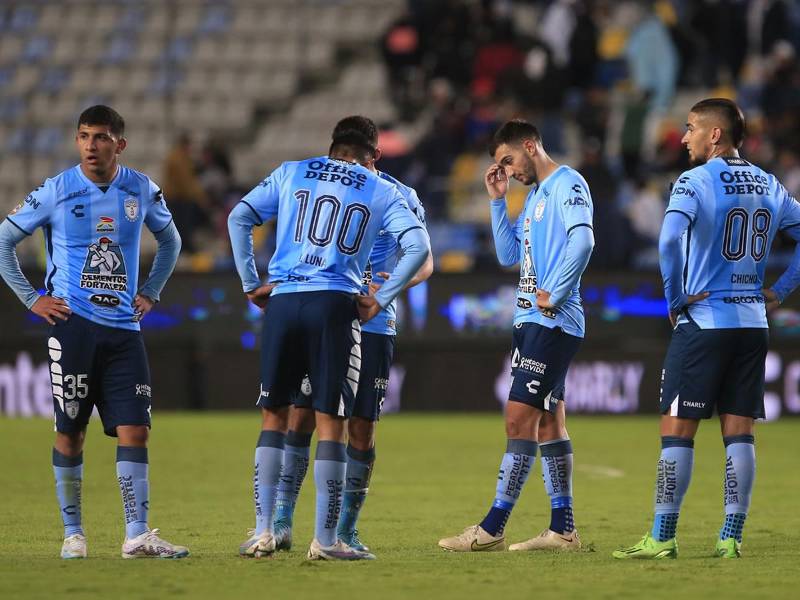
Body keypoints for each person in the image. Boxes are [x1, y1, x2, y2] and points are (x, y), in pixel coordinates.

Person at [227, 121, 431, 561]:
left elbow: (425, 263)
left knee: (358, 427)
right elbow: (420, 247)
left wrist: (383, 292)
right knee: (308, 418)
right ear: (373, 153)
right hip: (337, 310)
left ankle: (345, 528)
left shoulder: (397, 193)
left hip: (366, 322)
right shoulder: (381, 193)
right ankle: (285, 524)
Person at [612, 98, 800, 560]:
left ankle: (662, 536)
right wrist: (782, 289)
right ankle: (731, 536)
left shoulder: (693, 181)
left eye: (691, 127)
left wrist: (674, 298)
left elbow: (668, 239)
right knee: (740, 433)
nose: (683, 137)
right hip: (753, 324)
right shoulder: (769, 183)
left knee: (677, 433)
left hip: (705, 322)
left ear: (715, 135)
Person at [0, 105, 185, 559]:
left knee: (135, 430)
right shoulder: (57, 190)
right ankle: (73, 535)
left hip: (124, 329)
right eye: (83, 136)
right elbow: (4, 240)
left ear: (119, 144)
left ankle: (137, 535)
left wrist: (151, 291)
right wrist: (32, 299)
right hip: (73, 328)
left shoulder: (140, 189)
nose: (90, 145)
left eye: (100, 137)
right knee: (71, 433)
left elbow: (172, 241)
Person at [439, 119, 594, 552]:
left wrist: (556, 293)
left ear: (530, 146)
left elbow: (583, 242)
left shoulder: (568, 184)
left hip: (553, 321)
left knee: (517, 419)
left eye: (508, 160)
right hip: (531, 322)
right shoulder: (534, 196)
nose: (506, 170)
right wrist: (497, 201)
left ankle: (492, 527)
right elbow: (510, 255)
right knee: (548, 422)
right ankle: (563, 529)